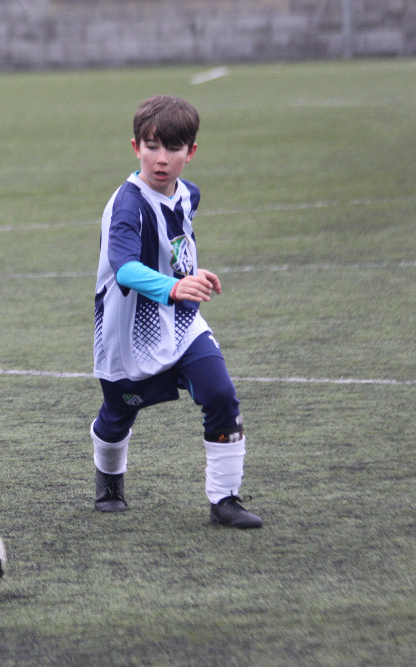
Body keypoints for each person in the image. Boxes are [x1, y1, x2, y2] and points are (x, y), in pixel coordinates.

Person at [91, 95, 262, 529]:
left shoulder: (189, 194)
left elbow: (173, 245)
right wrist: (174, 285)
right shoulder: (128, 205)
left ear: (191, 151)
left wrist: (189, 273)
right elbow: (125, 268)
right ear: (136, 148)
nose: (161, 159)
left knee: (220, 393)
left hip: (182, 321)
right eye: (151, 147)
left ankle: (225, 499)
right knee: (118, 413)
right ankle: (109, 481)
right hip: (128, 332)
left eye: (173, 148)